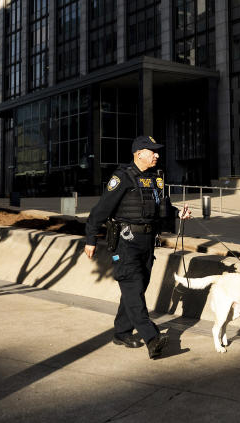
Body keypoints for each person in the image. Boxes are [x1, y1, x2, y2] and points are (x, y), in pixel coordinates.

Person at [84, 135, 191, 359]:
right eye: (152, 151)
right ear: (139, 153)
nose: (157, 155)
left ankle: (122, 332)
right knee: (133, 287)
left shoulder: (156, 179)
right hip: (126, 242)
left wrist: (178, 213)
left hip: (147, 243)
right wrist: (91, 239)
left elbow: (163, 207)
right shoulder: (122, 177)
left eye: (157, 151)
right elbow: (100, 210)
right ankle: (152, 338)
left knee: (135, 288)